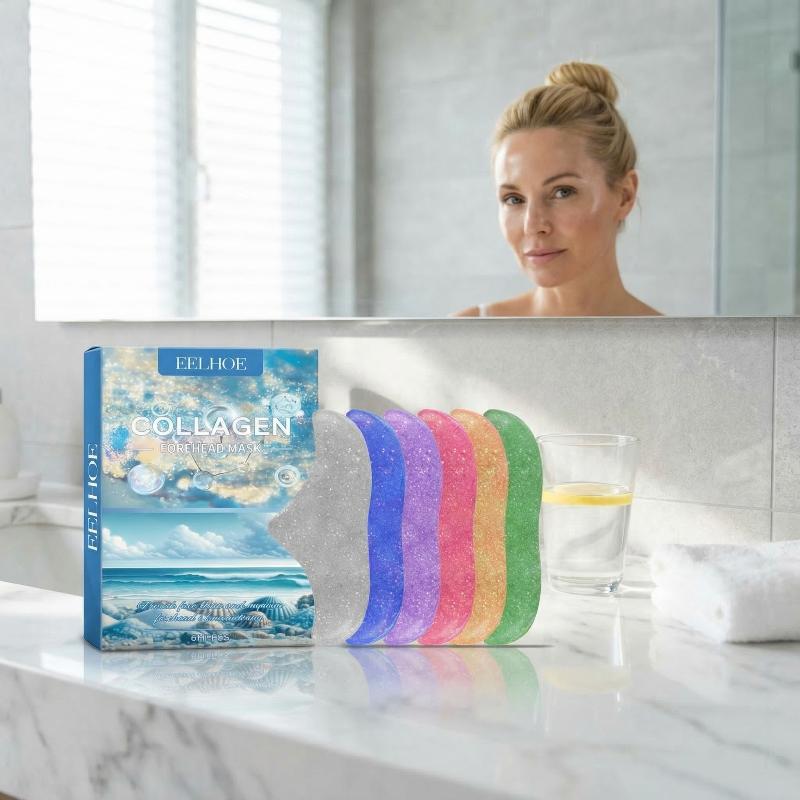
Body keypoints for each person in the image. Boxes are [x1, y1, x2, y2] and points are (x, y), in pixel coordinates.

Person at [455, 61, 661, 317]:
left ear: (624, 196)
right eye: (514, 199)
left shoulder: (680, 341)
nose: (532, 225)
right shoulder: (464, 333)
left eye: (562, 192)